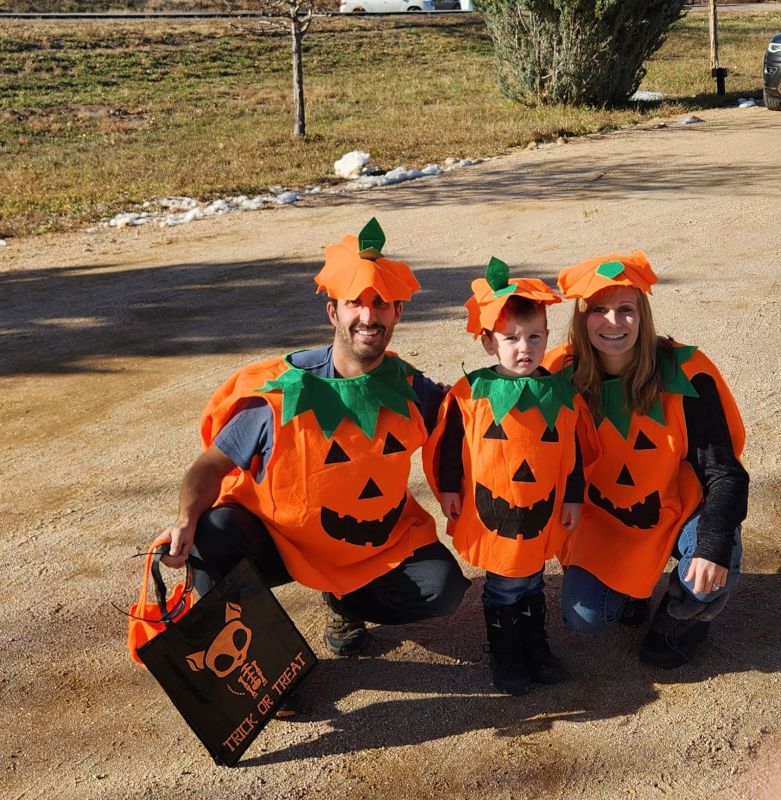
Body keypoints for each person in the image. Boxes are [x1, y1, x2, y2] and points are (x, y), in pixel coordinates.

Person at [162, 218, 470, 658]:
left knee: (443, 589)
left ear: (397, 312)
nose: (369, 315)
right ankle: (264, 658)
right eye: (355, 304)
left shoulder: (410, 390)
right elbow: (209, 465)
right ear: (334, 312)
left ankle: (343, 600)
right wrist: (186, 517)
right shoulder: (278, 395)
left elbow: (470, 423)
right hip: (279, 538)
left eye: (381, 304)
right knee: (213, 533)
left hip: (367, 546)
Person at [546, 251, 748, 668]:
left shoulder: (685, 373)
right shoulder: (560, 373)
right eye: (598, 310)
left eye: (625, 309)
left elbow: (725, 474)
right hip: (605, 518)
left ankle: (685, 614)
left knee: (712, 556)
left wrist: (712, 546)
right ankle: (630, 590)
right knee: (586, 618)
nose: (613, 322)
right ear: (581, 318)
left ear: (643, 314)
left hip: (679, 508)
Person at [423, 258, 584, 695]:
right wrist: (451, 490)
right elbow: (451, 447)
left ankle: (535, 644)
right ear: (489, 343)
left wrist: (573, 497)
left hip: (542, 505)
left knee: (531, 578)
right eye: (511, 339)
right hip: (496, 505)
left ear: (548, 338)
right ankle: (505, 651)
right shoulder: (471, 394)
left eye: (534, 337)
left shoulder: (559, 393)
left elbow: (573, 452)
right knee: (505, 583)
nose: (524, 348)